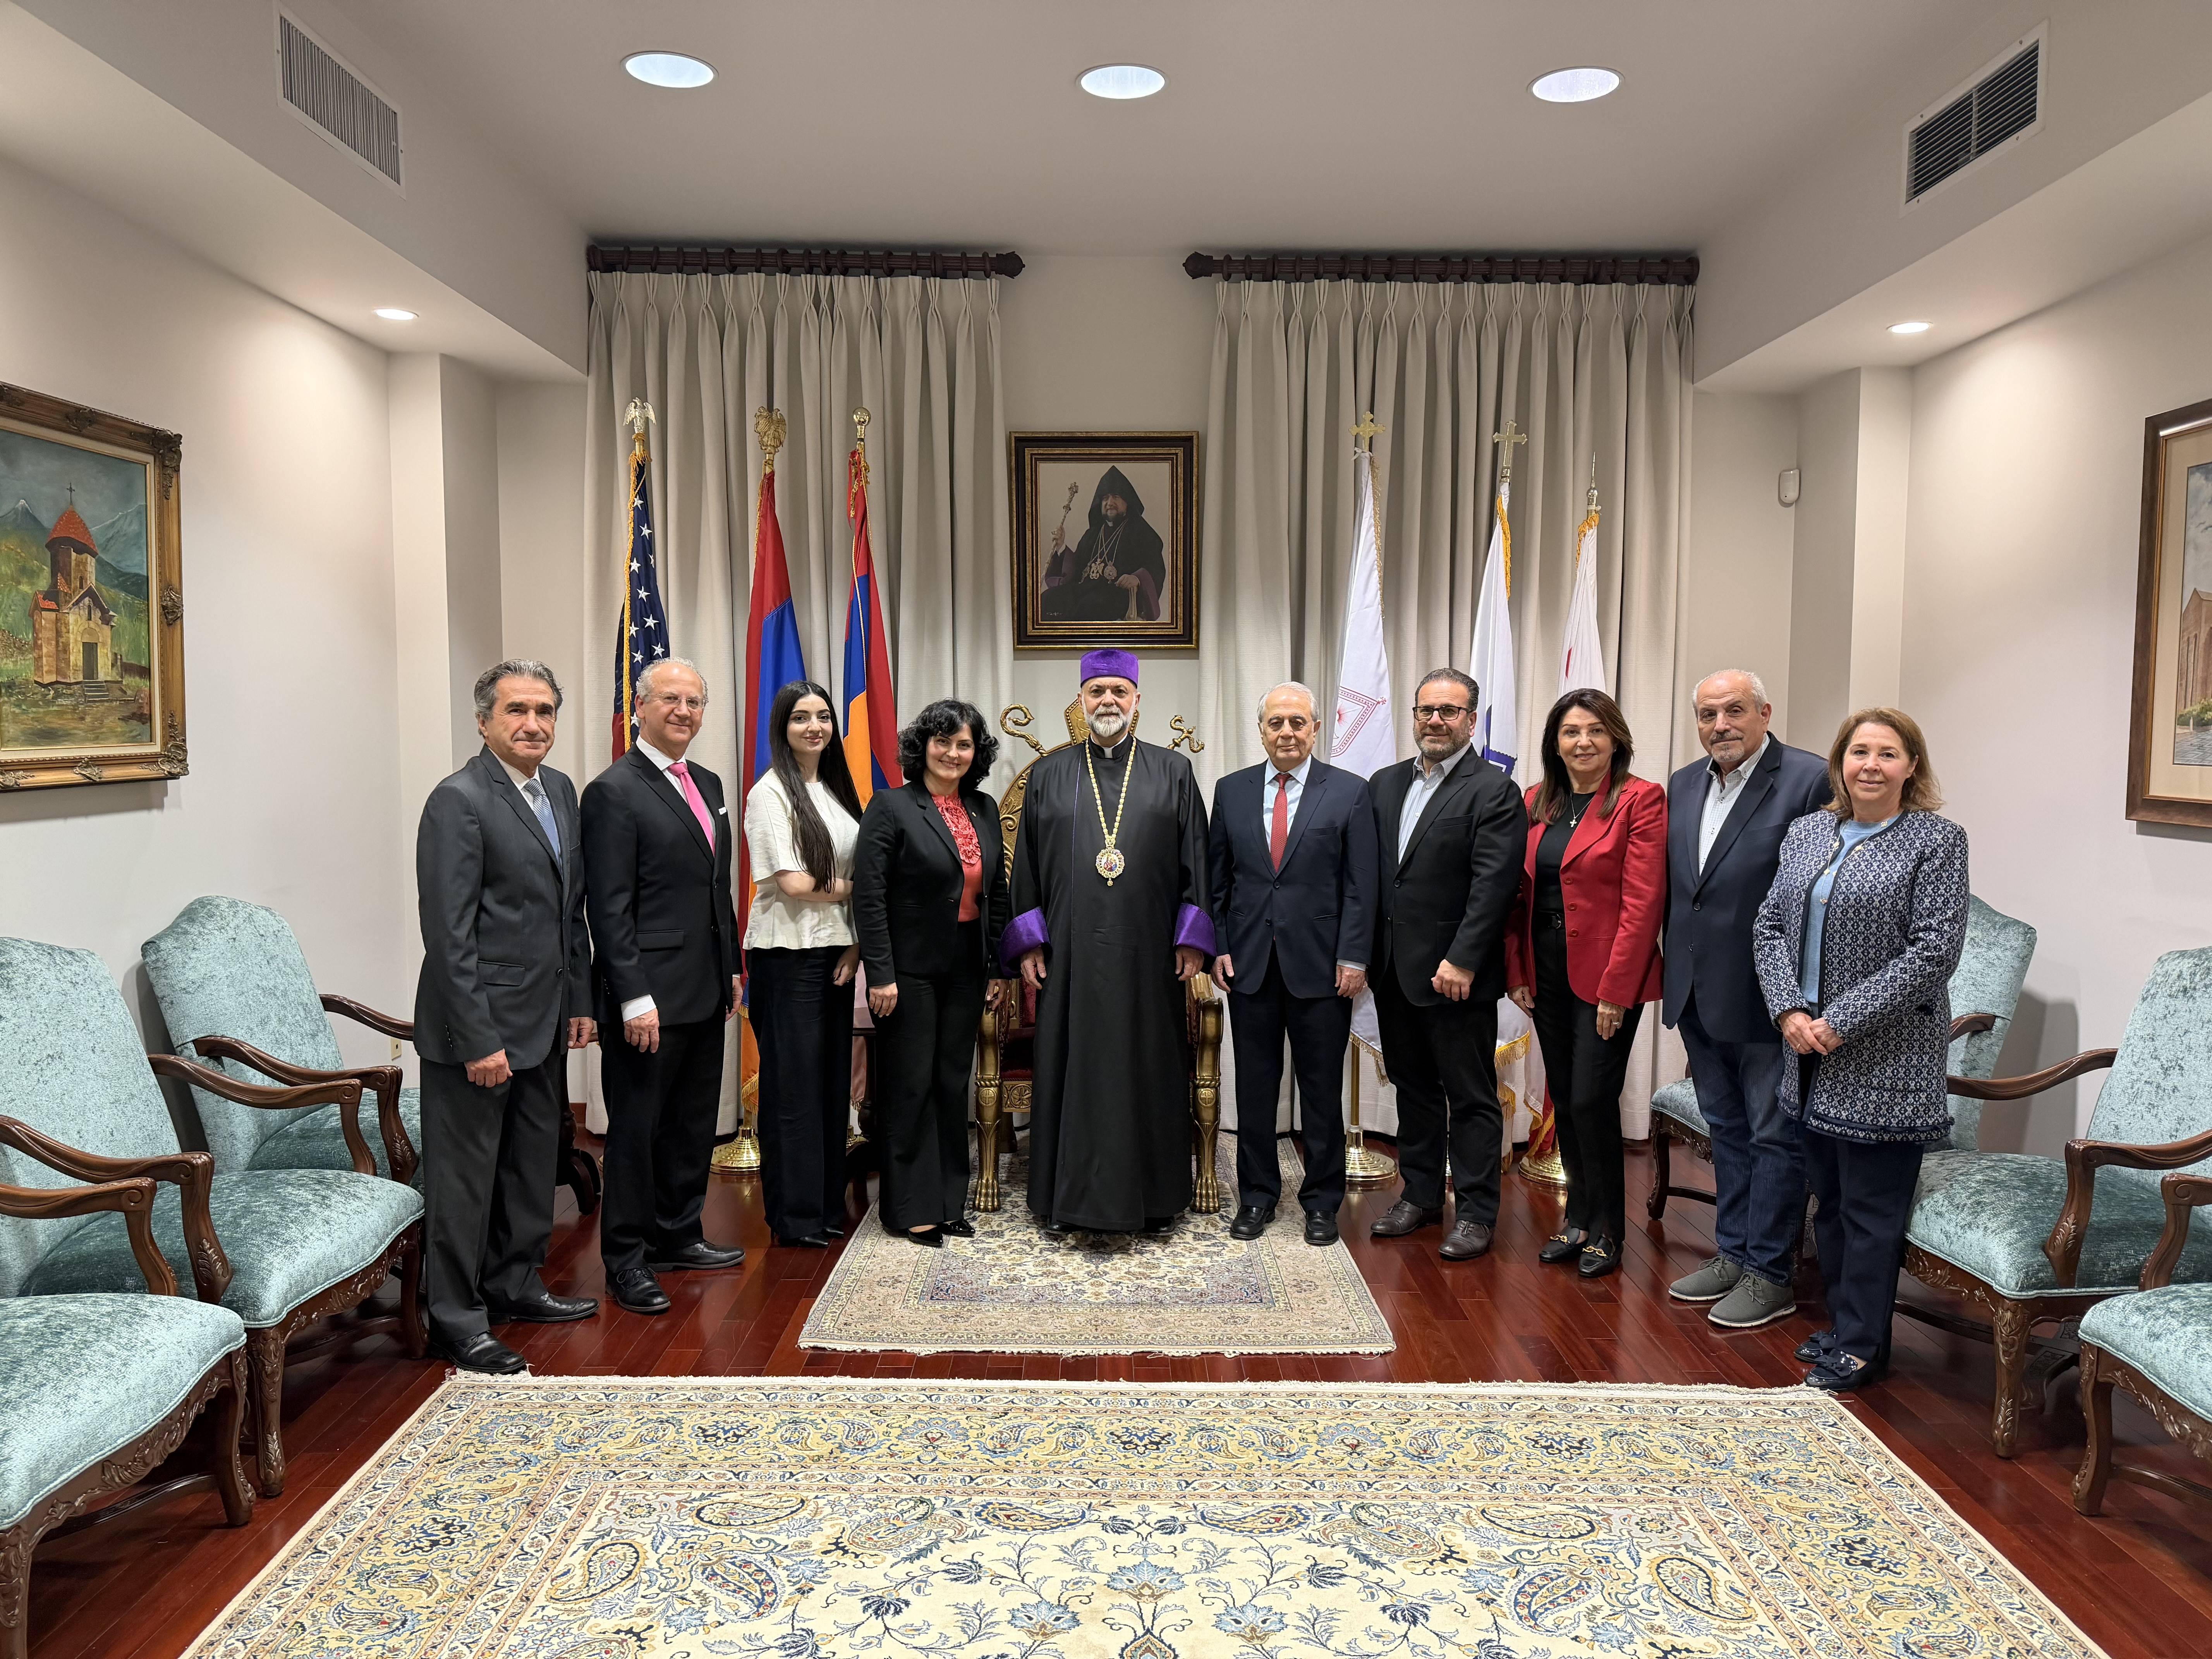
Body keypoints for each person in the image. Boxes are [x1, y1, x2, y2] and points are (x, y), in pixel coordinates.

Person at [1752, 708, 1968, 1391]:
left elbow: (1934, 949)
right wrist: (1789, 1009)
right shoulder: (1808, 828)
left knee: (1874, 1209)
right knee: (1833, 1202)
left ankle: (1862, 1344)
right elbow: (1768, 925)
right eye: (1857, 751)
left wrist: (1839, 1019)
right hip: (1804, 1048)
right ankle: (1845, 1324)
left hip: (1886, 1054)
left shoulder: (1936, 840)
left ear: (1911, 765)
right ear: (1839, 761)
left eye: (1887, 752)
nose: (1869, 764)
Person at [414, 659, 598, 1374]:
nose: (534, 724)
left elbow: (567, 909)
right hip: (478, 1033)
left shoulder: (558, 789)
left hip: (546, 1017)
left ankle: (515, 1282)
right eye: (518, 709)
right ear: (484, 719)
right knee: (466, 1182)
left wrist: (580, 997)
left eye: (546, 710)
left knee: (529, 1167)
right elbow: (448, 933)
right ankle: (455, 1317)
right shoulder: (457, 800)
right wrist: (477, 1036)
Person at [1003, 649, 1214, 1232]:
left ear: (1138, 700)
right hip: (1068, 957)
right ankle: (1065, 1198)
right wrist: (1029, 944)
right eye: (1097, 692)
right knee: (1074, 1065)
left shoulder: (1173, 772)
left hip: (1149, 958)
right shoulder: (1049, 774)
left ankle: (1152, 1197)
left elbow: (1196, 859)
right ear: (1081, 701)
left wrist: (1192, 940)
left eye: (1119, 692)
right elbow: (1024, 871)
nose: (1108, 703)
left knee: (1147, 1063)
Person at [1661, 669, 1833, 1331]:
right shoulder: (1682, 782)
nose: (1719, 725)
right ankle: (1731, 1252)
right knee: (1725, 1129)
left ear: (1764, 712)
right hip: (1697, 989)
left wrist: (1800, 996)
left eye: (1734, 710)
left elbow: (1817, 895)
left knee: (1773, 1135)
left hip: (1771, 996)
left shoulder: (1808, 780)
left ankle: (1770, 1272)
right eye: (1706, 714)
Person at [581, 658, 746, 1319]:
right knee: (637, 1130)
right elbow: (609, 907)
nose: (683, 710)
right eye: (670, 699)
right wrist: (632, 995)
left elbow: (717, 887)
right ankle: (625, 1258)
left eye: (694, 701)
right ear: (640, 707)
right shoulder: (613, 790)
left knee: (689, 1124)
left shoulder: (705, 782)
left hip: (706, 985)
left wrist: (731, 964)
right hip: (648, 995)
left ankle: (677, 1233)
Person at [1365, 667, 1528, 1261]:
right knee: (1414, 1089)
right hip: (1393, 972)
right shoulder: (1384, 785)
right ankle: (1422, 1195)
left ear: (1471, 720)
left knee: (1472, 1095)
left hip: (1455, 977)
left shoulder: (1494, 790)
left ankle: (1479, 1212)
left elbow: (1494, 885)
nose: (1436, 720)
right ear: (1413, 717)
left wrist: (1462, 959)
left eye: (1449, 711)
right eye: (1426, 710)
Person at [1504, 690, 1666, 1279]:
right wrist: (1517, 972)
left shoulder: (1639, 800)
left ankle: (1609, 1231)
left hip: (1606, 976)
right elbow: (1518, 896)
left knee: (1595, 1099)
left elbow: (1644, 903)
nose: (1583, 742)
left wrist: (1617, 991)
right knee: (1568, 1099)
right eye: (1571, 732)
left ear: (1616, 738)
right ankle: (1576, 1218)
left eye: (1596, 731)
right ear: (1555, 742)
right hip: (1544, 970)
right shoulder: (1536, 801)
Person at [1208, 682, 1376, 1246]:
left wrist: (1355, 955)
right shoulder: (1230, 792)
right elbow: (1219, 883)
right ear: (1261, 731)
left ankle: (1322, 1203)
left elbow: (1361, 886)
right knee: (1255, 1090)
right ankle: (1257, 1197)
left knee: (1321, 1091)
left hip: (1324, 970)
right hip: (1250, 966)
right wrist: (1221, 945)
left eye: (1297, 723)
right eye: (1276, 723)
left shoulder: (1350, 792)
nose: (1287, 733)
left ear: (1316, 729)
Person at [852, 700, 1013, 1246]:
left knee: (951, 1085)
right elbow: (869, 896)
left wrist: (998, 966)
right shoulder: (892, 806)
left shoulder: (985, 809)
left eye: (964, 744)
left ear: (977, 753)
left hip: (967, 968)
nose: (952, 753)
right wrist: (881, 973)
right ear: (922, 748)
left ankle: (947, 1201)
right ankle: (908, 1207)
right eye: (942, 742)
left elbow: (998, 895)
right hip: (908, 971)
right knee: (911, 1085)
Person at [743, 680, 864, 1248]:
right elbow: (792, 884)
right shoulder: (769, 793)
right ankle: (793, 1219)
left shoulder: (837, 791)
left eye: (823, 716)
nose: (814, 726)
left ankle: (823, 1206)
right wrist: (861, 888)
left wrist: (856, 942)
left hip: (834, 954)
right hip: (786, 958)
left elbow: (831, 884)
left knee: (829, 1087)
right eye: (800, 718)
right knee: (793, 1091)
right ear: (782, 728)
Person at [1040, 468, 1167, 622]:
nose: (1110, 503)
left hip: (1116, 595)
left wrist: (1138, 578)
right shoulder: (1093, 534)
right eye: (1105, 498)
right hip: (1085, 591)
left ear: (1127, 502)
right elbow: (1078, 568)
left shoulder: (1141, 532)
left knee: (1090, 605)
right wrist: (1061, 547)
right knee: (1047, 599)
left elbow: (1155, 567)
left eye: (1116, 497)